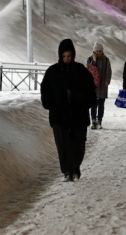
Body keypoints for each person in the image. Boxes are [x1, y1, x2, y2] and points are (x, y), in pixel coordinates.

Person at [41, 38, 96, 182]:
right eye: (64, 56)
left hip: (78, 115)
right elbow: (45, 90)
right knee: (63, 144)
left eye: (69, 56)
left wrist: (81, 99)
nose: (66, 59)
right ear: (60, 56)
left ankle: (75, 167)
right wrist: (50, 103)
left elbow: (91, 92)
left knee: (78, 143)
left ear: (73, 55)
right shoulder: (52, 72)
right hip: (59, 116)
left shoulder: (80, 71)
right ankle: (67, 171)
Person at [86, 42, 112, 130]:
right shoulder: (90, 59)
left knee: (101, 104)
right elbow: (88, 70)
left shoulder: (106, 60)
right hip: (92, 85)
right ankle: (93, 120)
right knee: (93, 104)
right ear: (94, 51)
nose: (99, 53)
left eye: (100, 51)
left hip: (103, 85)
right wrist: (94, 61)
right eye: (97, 51)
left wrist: (107, 80)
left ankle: (99, 120)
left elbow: (108, 70)